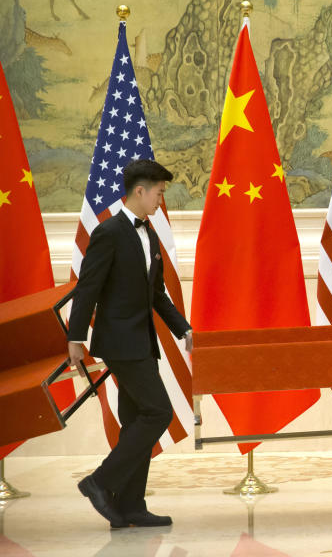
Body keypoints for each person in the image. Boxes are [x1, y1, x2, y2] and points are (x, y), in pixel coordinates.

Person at [68, 159, 192, 528]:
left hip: (143, 343)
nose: (160, 200)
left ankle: (130, 506)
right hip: (121, 343)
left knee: (137, 419)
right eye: (158, 193)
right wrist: (75, 338)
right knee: (159, 413)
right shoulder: (108, 232)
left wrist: (184, 329)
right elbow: (87, 287)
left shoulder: (149, 233)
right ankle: (100, 482)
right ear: (140, 190)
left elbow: (158, 294)